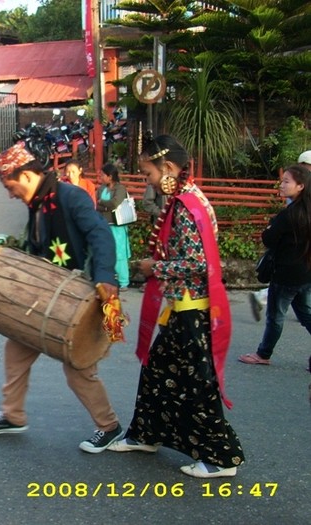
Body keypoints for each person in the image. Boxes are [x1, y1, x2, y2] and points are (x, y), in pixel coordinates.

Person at [0, 143, 123, 454]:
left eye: (9, 186)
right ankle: (13, 415)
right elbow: (38, 249)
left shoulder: (70, 196)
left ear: (27, 176)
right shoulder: (38, 203)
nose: (10, 195)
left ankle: (110, 427)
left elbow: (100, 233)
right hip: (48, 298)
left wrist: (105, 276)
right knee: (16, 350)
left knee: (78, 370)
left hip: (80, 299)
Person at [108, 134, 244, 479]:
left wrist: (155, 267)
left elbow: (197, 263)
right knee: (157, 372)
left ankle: (221, 458)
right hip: (183, 307)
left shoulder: (185, 205)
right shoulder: (187, 198)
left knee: (198, 386)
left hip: (191, 310)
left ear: (168, 167)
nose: (148, 181)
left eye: (149, 174)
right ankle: (145, 435)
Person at [238, 164, 311, 366]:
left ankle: (263, 354)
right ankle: (263, 353)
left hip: (286, 274)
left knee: (276, 317)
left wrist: (271, 226)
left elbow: (268, 239)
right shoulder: (305, 211)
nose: (282, 185)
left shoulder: (288, 215)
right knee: (305, 313)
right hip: (306, 272)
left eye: (287, 181)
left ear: (301, 186)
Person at [249, 150, 311, 321]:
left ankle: (261, 297)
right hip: (296, 264)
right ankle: (261, 296)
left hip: (295, 265)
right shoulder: (296, 201)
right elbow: (275, 234)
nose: (282, 185)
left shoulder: (297, 200)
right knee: (282, 315)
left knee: (286, 313)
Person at [96, 163, 131, 290]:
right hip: (104, 224)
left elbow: (115, 203)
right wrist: (106, 206)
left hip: (117, 225)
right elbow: (97, 204)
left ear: (110, 176)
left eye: (103, 175)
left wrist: (103, 203)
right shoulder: (101, 188)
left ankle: (123, 281)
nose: (100, 177)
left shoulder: (120, 188)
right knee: (105, 251)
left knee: (119, 253)